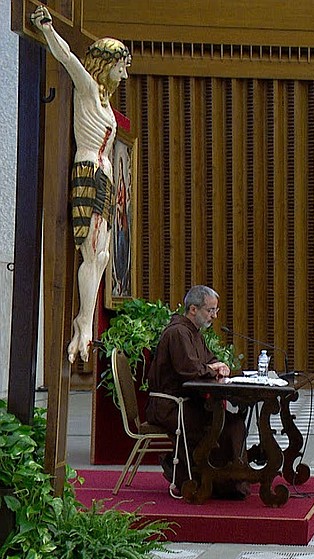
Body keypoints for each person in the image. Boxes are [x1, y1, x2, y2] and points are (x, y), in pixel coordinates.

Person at [32, 5, 132, 364]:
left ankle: (84, 319)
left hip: (104, 173)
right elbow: (67, 56)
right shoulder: (88, 88)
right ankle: (84, 324)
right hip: (88, 171)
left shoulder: (106, 103)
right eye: (120, 65)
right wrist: (45, 28)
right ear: (106, 64)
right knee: (91, 251)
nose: (124, 72)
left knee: (103, 254)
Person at [146, 285, 249, 500]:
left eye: (215, 311)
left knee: (233, 422)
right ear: (193, 309)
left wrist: (220, 366)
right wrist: (212, 369)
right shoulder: (177, 333)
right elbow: (190, 371)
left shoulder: (193, 332)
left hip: (186, 403)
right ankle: (209, 480)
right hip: (170, 407)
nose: (214, 316)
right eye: (210, 310)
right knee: (218, 426)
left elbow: (208, 361)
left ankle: (229, 480)